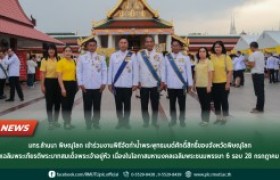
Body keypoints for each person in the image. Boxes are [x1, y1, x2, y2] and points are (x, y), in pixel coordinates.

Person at [108, 37, 139, 129]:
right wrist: (109, 83)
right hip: (117, 85)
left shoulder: (132, 55)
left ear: (127, 44)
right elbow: (110, 70)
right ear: (118, 44)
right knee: (118, 105)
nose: (123, 44)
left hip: (128, 84)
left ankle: (126, 122)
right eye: (121, 42)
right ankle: (120, 122)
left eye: (125, 43)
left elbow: (135, 70)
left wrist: (135, 83)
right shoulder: (114, 56)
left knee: (127, 105)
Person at [77, 39, 107, 130]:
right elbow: (79, 71)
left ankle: (96, 122)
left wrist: (103, 83)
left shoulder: (101, 58)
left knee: (97, 106)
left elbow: (104, 71)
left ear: (96, 46)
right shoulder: (82, 58)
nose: (92, 47)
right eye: (90, 45)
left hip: (98, 86)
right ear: (87, 46)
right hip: (86, 86)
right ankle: (88, 123)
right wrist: (80, 83)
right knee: (87, 106)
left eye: (94, 45)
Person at [137, 35, 165, 129]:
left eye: (150, 41)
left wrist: (162, 82)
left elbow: (162, 69)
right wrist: (137, 81)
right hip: (143, 83)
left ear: (153, 43)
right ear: (145, 43)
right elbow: (137, 68)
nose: (149, 43)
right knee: (144, 105)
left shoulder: (159, 54)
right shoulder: (140, 54)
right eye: (147, 42)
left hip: (155, 83)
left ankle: (154, 122)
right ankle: (146, 122)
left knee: (155, 105)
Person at [165, 40, 193, 127]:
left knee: (182, 104)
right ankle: (173, 120)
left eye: (177, 45)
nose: (175, 47)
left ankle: (182, 120)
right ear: (171, 47)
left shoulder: (185, 57)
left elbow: (189, 71)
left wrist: (190, 84)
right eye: (173, 45)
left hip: (182, 85)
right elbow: (165, 71)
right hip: (171, 85)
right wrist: (165, 82)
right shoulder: (167, 57)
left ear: (180, 47)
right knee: (172, 104)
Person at [211, 41, 233, 125]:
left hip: (224, 83)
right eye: (216, 47)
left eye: (219, 47)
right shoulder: (211, 57)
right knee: (216, 101)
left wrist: (228, 83)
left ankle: (225, 118)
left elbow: (230, 71)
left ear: (222, 48)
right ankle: (218, 118)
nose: (217, 48)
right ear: (214, 48)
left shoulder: (226, 58)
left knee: (224, 100)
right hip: (214, 83)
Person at [40, 44, 61, 130]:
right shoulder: (44, 60)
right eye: (49, 49)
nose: (51, 51)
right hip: (48, 82)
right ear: (47, 51)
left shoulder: (59, 59)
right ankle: (50, 122)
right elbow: (42, 74)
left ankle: (56, 121)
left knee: (57, 103)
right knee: (49, 103)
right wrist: (42, 85)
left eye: (52, 49)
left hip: (58, 82)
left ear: (55, 50)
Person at [57, 46, 78, 130]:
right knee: (65, 105)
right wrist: (62, 88)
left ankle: (68, 122)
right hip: (64, 84)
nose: (68, 53)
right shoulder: (60, 62)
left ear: (72, 53)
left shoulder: (73, 61)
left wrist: (77, 84)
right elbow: (59, 77)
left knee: (70, 104)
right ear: (63, 53)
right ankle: (66, 123)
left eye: (69, 51)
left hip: (72, 84)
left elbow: (75, 74)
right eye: (66, 51)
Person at [193, 47, 213, 126]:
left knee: (206, 104)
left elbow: (211, 74)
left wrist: (209, 85)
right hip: (199, 86)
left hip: (206, 86)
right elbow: (195, 74)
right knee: (202, 103)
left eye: (204, 51)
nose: (202, 53)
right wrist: (194, 84)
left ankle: (206, 121)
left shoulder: (209, 62)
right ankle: (203, 120)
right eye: (200, 51)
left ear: (206, 53)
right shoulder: (197, 62)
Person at [247, 42, 265, 113]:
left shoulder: (252, 55)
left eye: (250, 47)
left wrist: (247, 64)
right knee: (261, 92)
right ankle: (259, 107)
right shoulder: (261, 54)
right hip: (261, 74)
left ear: (252, 47)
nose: (250, 49)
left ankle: (259, 109)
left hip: (256, 74)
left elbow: (252, 65)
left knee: (258, 92)